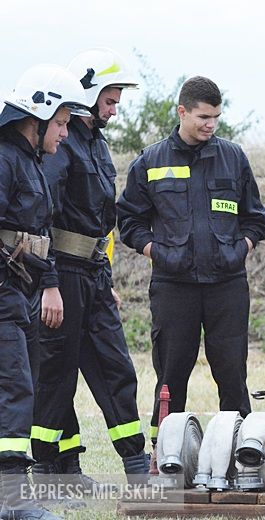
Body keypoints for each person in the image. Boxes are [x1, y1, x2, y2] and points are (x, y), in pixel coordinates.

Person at [117, 76, 265, 443]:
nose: (210, 124)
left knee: (232, 372)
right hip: (174, 286)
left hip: (227, 285)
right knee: (171, 373)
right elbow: (129, 222)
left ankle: (240, 449)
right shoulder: (150, 161)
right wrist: (157, 252)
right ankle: (168, 451)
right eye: (204, 116)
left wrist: (241, 249)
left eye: (216, 117)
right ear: (182, 112)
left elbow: (257, 219)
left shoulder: (232, 157)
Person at [31, 48, 148, 482]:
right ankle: (53, 469)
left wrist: (107, 276)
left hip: (94, 276)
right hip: (61, 273)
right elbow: (41, 217)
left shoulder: (96, 143)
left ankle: (137, 467)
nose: (115, 111)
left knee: (116, 367)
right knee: (57, 377)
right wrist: (49, 284)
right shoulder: (60, 146)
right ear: (89, 92)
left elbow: (100, 222)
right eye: (111, 100)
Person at [0, 63, 91, 520]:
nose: (65, 133)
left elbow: (38, 234)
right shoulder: (3, 160)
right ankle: (14, 501)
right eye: (60, 123)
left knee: (21, 387)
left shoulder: (29, 162)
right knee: (14, 389)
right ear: (35, 119)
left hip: (19, 297)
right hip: (2, 296)